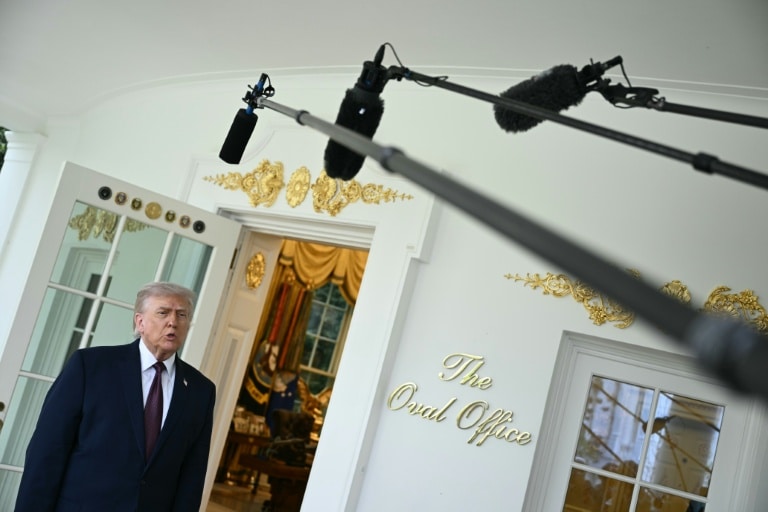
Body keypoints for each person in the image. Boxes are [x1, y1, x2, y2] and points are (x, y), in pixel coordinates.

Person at [15, 282, 216, 512]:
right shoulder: (90, 367)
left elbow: (192, 476)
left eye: (182, 315)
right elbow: (47, 451)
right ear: (140, 322)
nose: (173, 322)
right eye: (163, 313)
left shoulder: (201, 391)